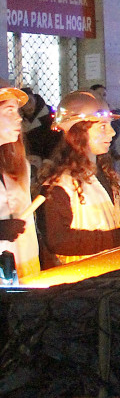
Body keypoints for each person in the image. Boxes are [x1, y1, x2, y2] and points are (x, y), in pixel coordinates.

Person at [42, 91, 120, 264]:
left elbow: (116, 223)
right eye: (102, 126)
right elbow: (58, 240)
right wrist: (116, 238)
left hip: (115, 270)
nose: (112, 132)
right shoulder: (59, 185)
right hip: (84, 277)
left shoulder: (109, 176)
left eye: (110, 125)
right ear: (78, 132)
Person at [0, 85, 41, 281]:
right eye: (9, 111)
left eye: (18, 111)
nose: (19, 118)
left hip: (24, 273)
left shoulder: (19, 164)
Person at [20, 88, 57, 166]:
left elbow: (55, 143)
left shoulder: (50, 117)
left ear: (35, 99)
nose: (28, 106)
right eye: (24, 103)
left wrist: (47, 161)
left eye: (30, 101)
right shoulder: (19, 121)